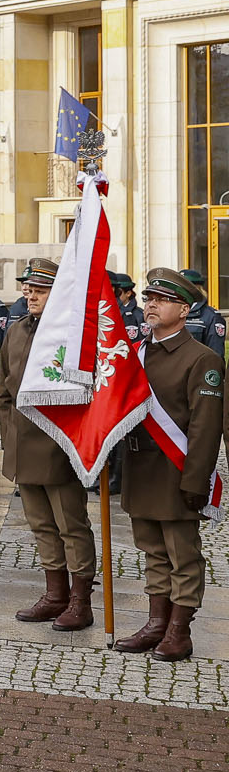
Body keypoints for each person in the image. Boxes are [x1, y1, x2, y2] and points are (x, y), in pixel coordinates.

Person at [114, 269, 225, 661]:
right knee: (153, 552)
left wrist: (196, 481)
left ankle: (179, 631)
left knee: (183, 556)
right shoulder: (136, 353)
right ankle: (155, 624)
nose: (151, 306)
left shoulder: (203, 360)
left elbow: (206, 428)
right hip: (140, 468)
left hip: (176, 472)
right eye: (148, 299)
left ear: (184, 308)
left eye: (161, 300)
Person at [0, 257, 96, 631]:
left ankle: (80, 601)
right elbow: (4, 387)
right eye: (27, 286)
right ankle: (55, 594)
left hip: (59, 447)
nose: (29, 292)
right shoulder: (18, 329)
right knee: (40, 524)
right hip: (23, 443)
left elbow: (88, 394)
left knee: (71, 525)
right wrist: (9, 433)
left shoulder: (73, 335)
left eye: (39, 288)